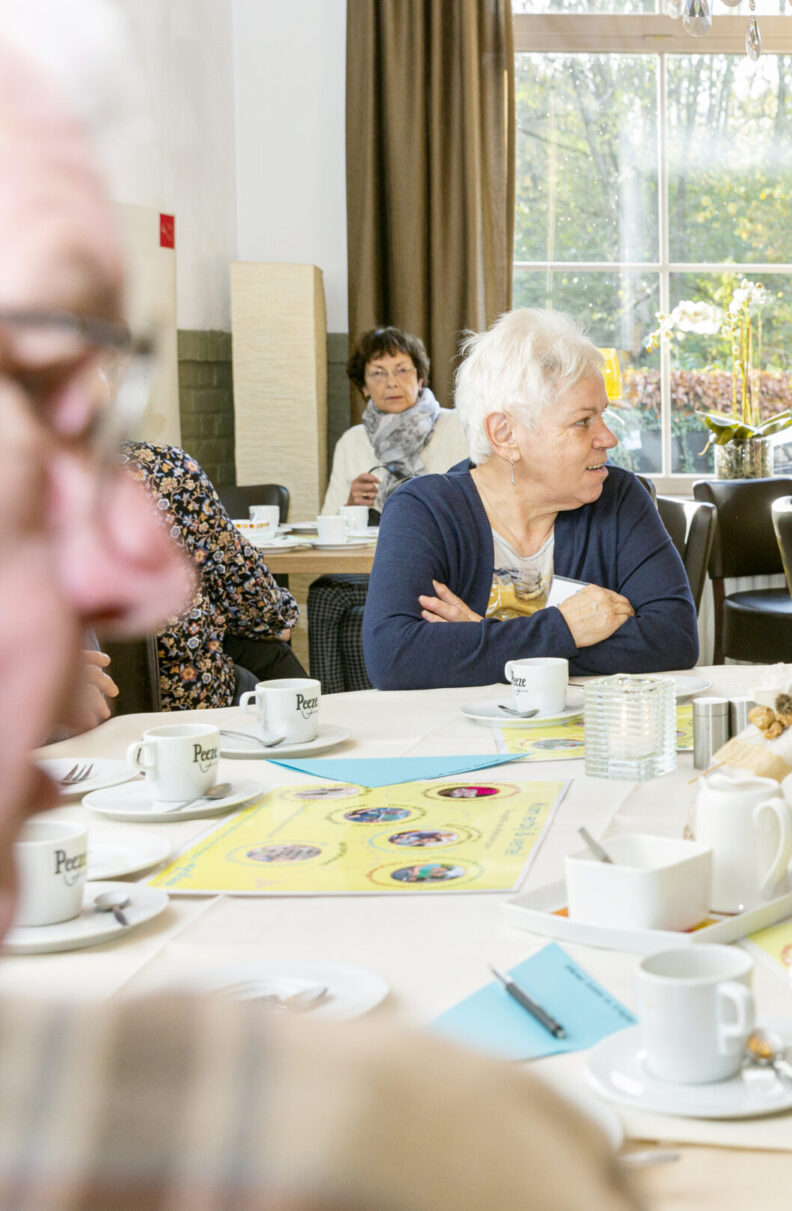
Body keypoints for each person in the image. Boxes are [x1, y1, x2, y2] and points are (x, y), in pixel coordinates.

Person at [0, 21, 642, 1208]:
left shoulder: (173, 478)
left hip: (199, 810)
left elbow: (261, 622)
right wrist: (558, 624)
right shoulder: (364, 1123)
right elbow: (398, 655)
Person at [362, 307, 698, 689]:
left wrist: (483, 636)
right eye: (583, 421)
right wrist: (565, 629)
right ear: (505, 434)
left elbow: (675, 639)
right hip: (461, 739)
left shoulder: (619, 497)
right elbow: (394, 658)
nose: (608, 438)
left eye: (603, 416)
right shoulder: (424, 509)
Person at [122, 440, 308, 707]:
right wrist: (277, 618)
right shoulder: (162, 468)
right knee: (271, 652)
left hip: (76, 691)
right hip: (181, 686)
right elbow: (237, 577)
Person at [320, 325, 466, 514]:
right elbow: (328, 523)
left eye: (402, 370)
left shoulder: (459, 426)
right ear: (364, 386)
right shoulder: (351, 441)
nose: (391, 383)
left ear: (420, 379)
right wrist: (350, 506)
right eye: (378, 373)